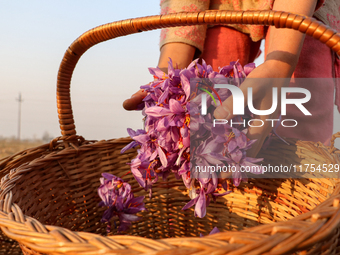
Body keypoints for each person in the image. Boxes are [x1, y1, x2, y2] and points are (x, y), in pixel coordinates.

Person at [123, 0, 340, 157]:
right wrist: (172, 68)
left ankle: (303, 206)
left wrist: (279, 64)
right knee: (208, 116)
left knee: (302, 106)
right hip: (223, 5)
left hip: (305, 6)